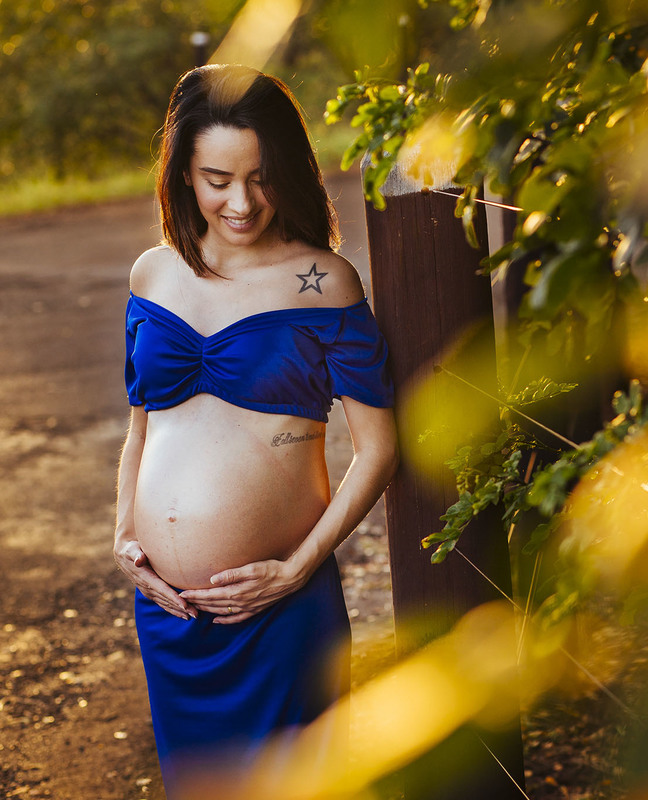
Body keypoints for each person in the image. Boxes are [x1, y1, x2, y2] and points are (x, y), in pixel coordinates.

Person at [113, 64, 398, 797]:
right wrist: (125, 538)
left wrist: (297, 569)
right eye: (217, 179)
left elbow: (378, 450)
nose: (241, 202)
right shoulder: (152, 274)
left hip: (281, 612)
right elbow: (141, 427)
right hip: (172, 619)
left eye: (261, 178)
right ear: (182, 176)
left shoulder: (324, 281)